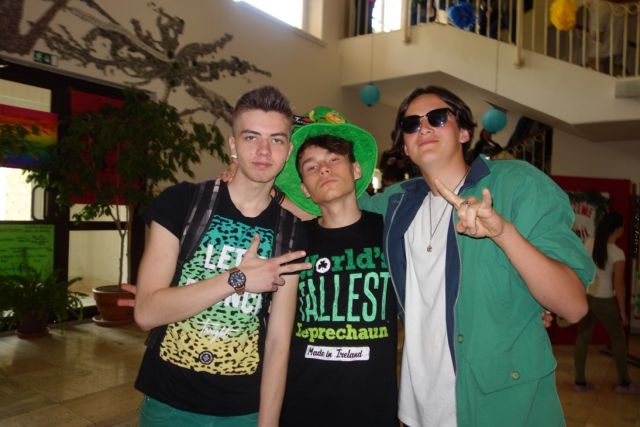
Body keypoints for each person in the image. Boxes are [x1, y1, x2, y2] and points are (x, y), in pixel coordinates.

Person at [359, 85, 593, 427]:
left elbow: (573, 306)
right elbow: (322, 201)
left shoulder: (517, 185)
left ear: (464, 132)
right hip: (418, 411)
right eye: (411, 125)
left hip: (501, 408)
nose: (423, 128)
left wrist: (503, 233)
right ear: (405, 147)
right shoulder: (394, 204)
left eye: (437, 118)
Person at [131, 85, 311, 427]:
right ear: (232, 145)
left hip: (244, 410)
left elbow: (277, 343)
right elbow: (146, 312)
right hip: (169, 403)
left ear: (288, 151)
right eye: (251, 137)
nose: (263, 151)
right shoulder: (182, 202)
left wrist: (268, 423)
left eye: (276, 140)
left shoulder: (290, 230)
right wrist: (237, 279)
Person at [273, 107, 399, 427]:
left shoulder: (391, 233)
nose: (324, 169)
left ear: (356, 170)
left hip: (372, 410)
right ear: (305, 188)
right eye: (311, 166)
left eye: (333, 159)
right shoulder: (293, 240)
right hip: (302, 408)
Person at [574, 211, 640, 393]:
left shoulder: (589, 242)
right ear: (618, 230)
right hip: (604, 301)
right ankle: (624, 383)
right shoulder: (617, 253)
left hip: (587, 298)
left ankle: (579, 382)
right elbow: (619, 285)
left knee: (583, 338)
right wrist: (623, 313)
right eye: (623, 227)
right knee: (618, 338)